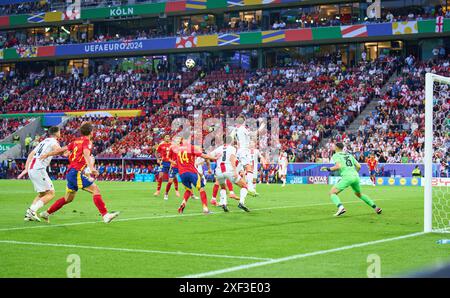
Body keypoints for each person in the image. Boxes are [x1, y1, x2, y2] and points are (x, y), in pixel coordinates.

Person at [38, 122, 120, 223]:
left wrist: (47, 154)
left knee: (68, 199)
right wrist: (92, 169)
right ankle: (105, 215)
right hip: (76, 172)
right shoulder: (87, 142)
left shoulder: (76, 141)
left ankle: (46, 213)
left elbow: (61, 150)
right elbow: (86, 154)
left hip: (71, 173)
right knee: (95, 189)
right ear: (90, 132)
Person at [320, 142, 382, 216]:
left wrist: (327, 168)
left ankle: (341, 207)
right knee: (359, 194)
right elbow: (359, 166)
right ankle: (376, 207)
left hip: (347, 177)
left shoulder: (336, 155)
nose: (332, 146)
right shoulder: (349, 155)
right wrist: (353, 173)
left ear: (336, 147)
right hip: (355, 176)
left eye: (333, 145)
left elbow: (338, 166)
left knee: (332, 193)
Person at [17, 127, 61, 221]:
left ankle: (29, 215)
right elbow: (58, 150)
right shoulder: (53, 141)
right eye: (59, 131)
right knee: (51, 193)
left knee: (42, 194)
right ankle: (32, 210)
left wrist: (26, 168)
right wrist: (65, 150)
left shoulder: (44, 141)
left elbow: (31, 154)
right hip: (39, 168)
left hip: (32, 168)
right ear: (56, 133)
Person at [174, 134, 216, 214]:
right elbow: (203, 155)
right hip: (191, 171)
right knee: (201, 189)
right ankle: (205, 208)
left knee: (188, 190)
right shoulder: (191, 147)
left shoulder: (178, 149)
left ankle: (183, 203)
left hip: (182, 174)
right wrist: (214, 158)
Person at [210, 137, 250, 212]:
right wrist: (235, 171)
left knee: (222, 187)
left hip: (219, 171)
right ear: (231, 141)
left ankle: (224, 203)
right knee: (244, 185)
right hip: (229, 170)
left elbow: (209, 155)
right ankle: (241, 203)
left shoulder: (219, 148)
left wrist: (215, 158)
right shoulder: (232, 148)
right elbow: (232, 159)